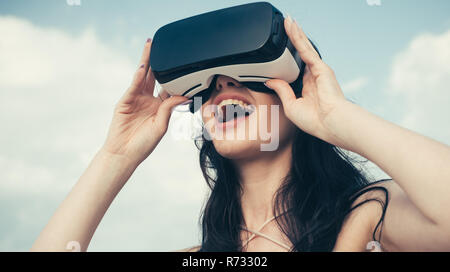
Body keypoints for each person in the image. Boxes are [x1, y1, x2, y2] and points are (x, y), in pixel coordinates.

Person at [31, 16, 450, 252]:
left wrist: (339, 118)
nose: (222, 88)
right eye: (210, 86)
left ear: (297, 96)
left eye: (244, 78)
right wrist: (116, 155)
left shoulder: (366, 220)